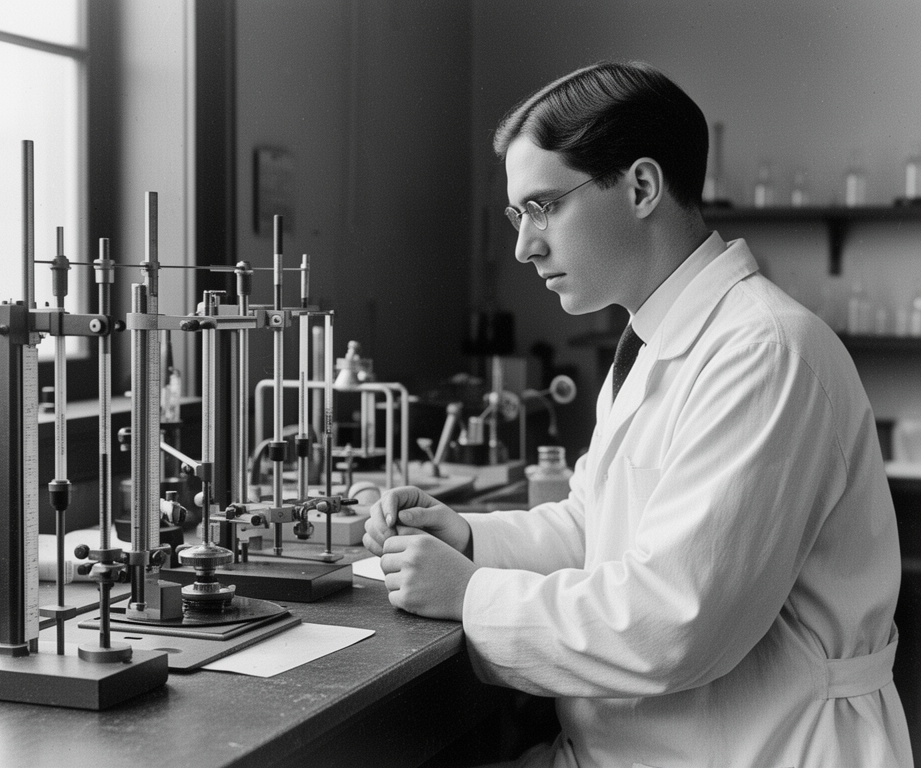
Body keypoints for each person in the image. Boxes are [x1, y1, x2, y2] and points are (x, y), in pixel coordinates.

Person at [363, 61, 913, 767]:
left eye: (543, 207)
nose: (524, 245)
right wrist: (471, 537)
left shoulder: (764, 352)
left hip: (765, 746)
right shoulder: (654, 341)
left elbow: (676, 619)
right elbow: (600, 523)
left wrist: (471, 595)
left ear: (642, 187)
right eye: (517, 214)